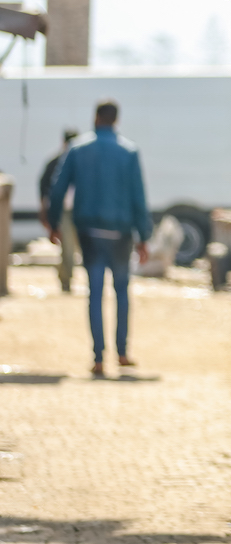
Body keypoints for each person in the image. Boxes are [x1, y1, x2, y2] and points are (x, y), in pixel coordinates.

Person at [49, 101, 152, 377]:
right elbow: (138, 197)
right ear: (116, 120)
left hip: (89, 231)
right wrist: (144, 237)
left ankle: (97, 357)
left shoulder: (78, 149)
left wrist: (53, 223)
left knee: (94, 293)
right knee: (121, 292)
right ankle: (122, 352)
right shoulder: (129, 152)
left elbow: (58, 188)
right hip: (120, 232)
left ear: (95, 117)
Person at [39, 129, 80, 293]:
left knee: (79, 247)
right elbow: (45, 188)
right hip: (65, 210)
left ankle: (65, 274)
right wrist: (47, 214)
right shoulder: (55, 162)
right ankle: (66, 280)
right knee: (68, 247)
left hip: (81, 210)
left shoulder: (82, 161)